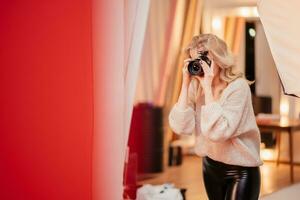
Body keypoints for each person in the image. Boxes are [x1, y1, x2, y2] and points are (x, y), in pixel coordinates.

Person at [168, 34, 263, 200]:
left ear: (219, 59)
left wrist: (208, 88)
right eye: (194, 60)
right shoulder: (197, 87)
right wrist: (185, 83)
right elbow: (181, 126)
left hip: (240, 170)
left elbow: (219, 132)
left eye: (203, 59)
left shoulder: (238, 88)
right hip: (210, 166)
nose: (200, 65)